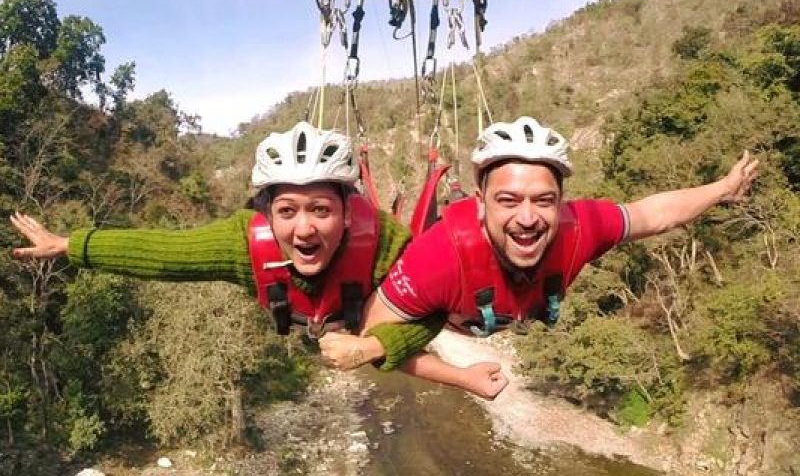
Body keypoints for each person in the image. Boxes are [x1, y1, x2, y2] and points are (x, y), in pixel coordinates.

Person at [10, 121, 505, 396]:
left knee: (377, 341)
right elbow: (163, 253)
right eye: (287, 211)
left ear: (349, 213)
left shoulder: (382, 242)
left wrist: (374, 350)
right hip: (314, 317)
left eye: (321, 210)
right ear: (268, 215)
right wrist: (70, 245)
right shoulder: (245, 244)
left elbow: (429, 314)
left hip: (363, 315)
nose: (305, 228)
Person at [318, 116, 760, 384]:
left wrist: (723, 188)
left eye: (543, 200)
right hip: (450, 313)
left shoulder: (582, 226)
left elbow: (655, 214)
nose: (527, 218)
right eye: (508, 200)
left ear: (561, 201)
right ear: (479, 201)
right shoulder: (438, 256)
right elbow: (374, 341)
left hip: (504, 308)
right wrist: (461, 378)